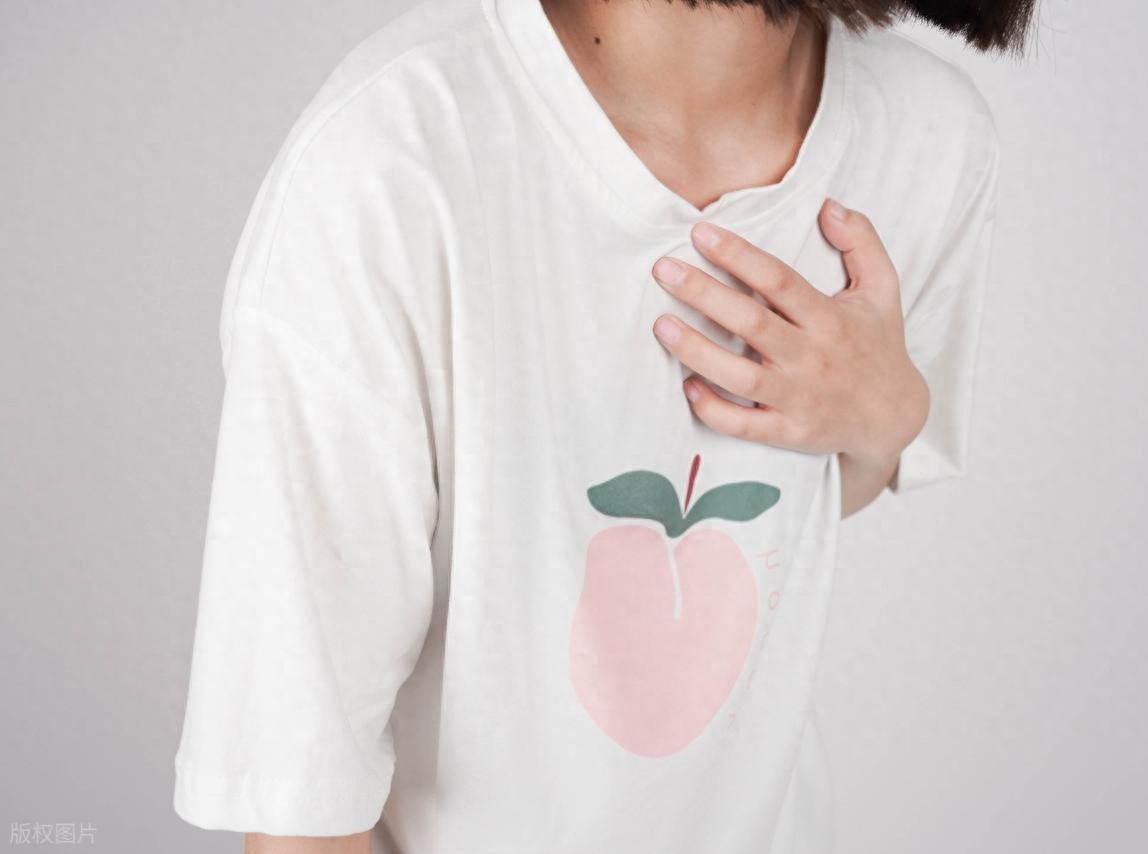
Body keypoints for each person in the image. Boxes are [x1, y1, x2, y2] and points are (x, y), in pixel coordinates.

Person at [173, 0, 1032, 850]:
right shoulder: (392, 165)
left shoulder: (927, 139)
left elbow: (800, 507)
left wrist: (889, 417)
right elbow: (306, 797)